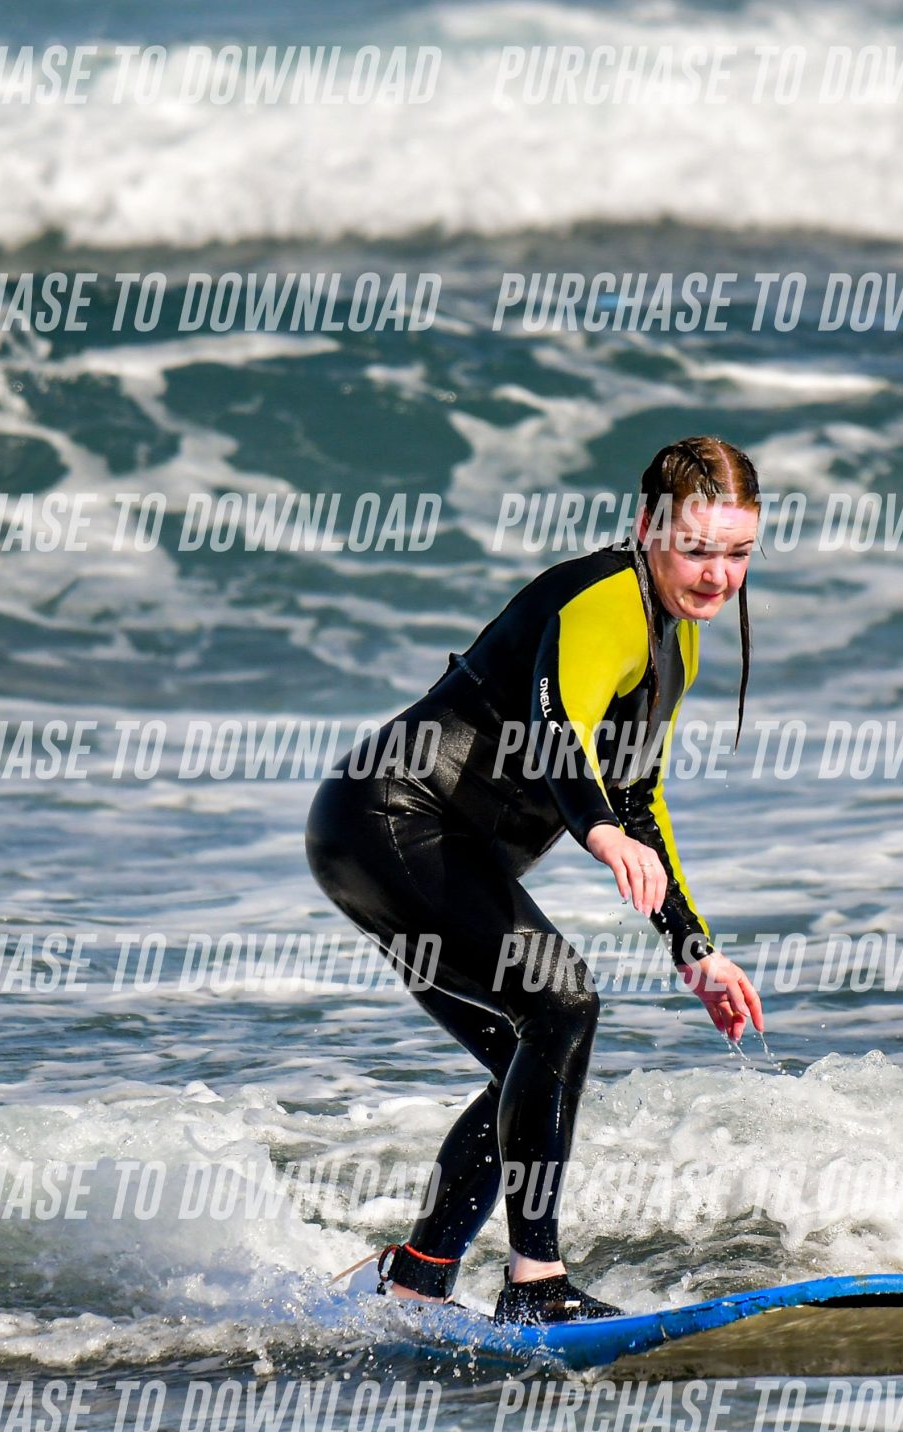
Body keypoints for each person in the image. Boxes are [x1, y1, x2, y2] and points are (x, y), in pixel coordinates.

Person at [307, 438, 768, 1325]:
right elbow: (559, 728)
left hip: (418, 848)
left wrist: (696, 951)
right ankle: (536, 1285)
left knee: (537, 1053)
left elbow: (637, 797)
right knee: (562, 1004)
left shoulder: (676, 635)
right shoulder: (604, 600)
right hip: (391, 819)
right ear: (648, 526)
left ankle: (416, 1279)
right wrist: (594, 826)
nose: (718, 576)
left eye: (739, 553)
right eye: (697, 549)